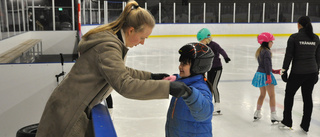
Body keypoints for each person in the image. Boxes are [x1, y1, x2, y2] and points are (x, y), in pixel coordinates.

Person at [36, 1, 190, 137]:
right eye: (143, 37)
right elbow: (125, 85)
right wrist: (167, 88)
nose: (142, 43)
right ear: (131, 31)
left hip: (69, 106)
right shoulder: (108, 47)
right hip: (68, 112)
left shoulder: (112, 41)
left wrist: (152, 76)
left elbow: (121, 72)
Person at [164, 43, 214, 137]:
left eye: (184, 64)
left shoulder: (201, 88)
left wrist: (189, 94)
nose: (180, 66)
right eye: (180, 63)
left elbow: (204, 112)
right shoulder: (184, 83)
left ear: (197, 67)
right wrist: (175, 78)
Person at [279, 16, 320, 132]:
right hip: (312, 72)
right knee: (307, 98)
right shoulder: (316, 38)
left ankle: (287, 120)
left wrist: (284, 70)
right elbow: (318, 58)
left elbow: (288, 56)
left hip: (298, 72)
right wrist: (317, 72)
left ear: (298, 25)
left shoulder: (294, 37)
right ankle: (305, 125)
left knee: (289, 95)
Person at [197, 28, 231, 114]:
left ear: (207, 38)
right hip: (209, 69)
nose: (201, 42)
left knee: (214, 86)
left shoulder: (214, 45)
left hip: (217, 69)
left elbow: (221, 50)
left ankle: (217, 106)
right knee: (209, 86)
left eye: (202, 40)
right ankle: (209, 104)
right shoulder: (203, 47)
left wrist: (225, 57)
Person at [251, 32, 281, 123]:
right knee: (272, 95)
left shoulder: (260, 50)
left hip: (259, 74)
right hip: (265, 75)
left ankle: (257, 113)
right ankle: (273, 115)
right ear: (266, 42)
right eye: (271, 41)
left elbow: (264, 65)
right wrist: (269, 76)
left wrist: (275, 71)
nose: (272, 43)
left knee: (262, 95)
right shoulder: (267, 52)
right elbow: (267, 65)